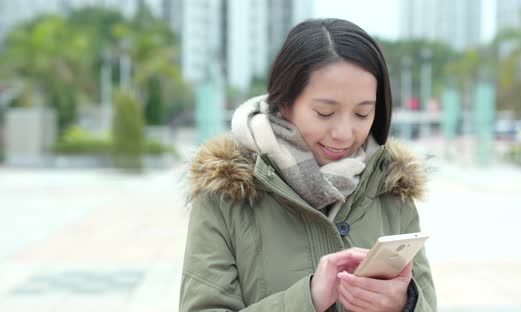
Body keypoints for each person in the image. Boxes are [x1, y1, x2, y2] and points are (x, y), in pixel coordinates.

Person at [180, 18, 436, 312]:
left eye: (362, 114)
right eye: (325, 113)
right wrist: (308, 300)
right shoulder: (226, 191)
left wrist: (405, 304)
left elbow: (429, 303)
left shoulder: (390, 187)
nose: (344, 133)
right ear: (285, 102)